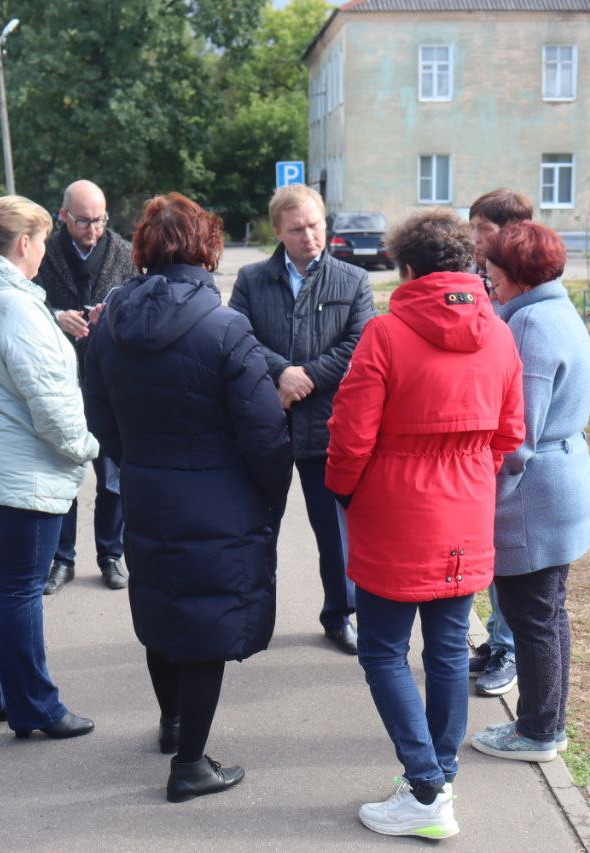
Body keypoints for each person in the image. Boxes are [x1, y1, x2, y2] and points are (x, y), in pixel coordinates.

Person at [83, 193, 291, 803]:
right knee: (206, 624)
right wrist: (270, 495)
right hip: (217, 496)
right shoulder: (225, 328)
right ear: (207, 249)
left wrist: (138, 458)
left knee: (163, 606)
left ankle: (174, 723)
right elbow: (265, 433)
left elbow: (99, 413)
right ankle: (190, 764)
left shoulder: (110, 323)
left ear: (145, 249)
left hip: (148, 489)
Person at [326, 209, 524, 839]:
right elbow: (510, 434)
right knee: (446, 650)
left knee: (383, 651)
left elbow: (350, 435)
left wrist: (346, 491)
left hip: (395, 510)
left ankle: (425, 788)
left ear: (407, 268)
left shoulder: (385, 334)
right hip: (467, 510)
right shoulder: (499, 334)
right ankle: (439, 779)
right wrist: (471, 472)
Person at [0, 196, 99, 740]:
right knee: (18, 593)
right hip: (20, 477)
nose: (45, 253)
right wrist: (85, 447)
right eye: (43, 242)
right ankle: (35, 707)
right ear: (25, 243)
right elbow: (51, 402)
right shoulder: (16, 308)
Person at [469, 221, 590, 764]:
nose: (489, 282)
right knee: (548, 612)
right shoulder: (556, 310)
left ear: (519, 277)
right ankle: (548, 724)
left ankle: (538, 731)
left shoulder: (531, 325)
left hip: (532, 493)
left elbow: (517, 436)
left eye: (494, 273)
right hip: (561, 478)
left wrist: (485, 500)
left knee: (531, 616)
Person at [229, 184, 375, 655]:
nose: (308, 236)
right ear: (277, 231)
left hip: (327, 426)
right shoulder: (252, 279)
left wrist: (306, 377)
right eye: (296, 229)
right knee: (258, 527)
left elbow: (360, 344)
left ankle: (341, 614)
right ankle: (253, 617)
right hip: (266, 422)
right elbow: (236, 336)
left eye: (314, 225)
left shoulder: (353, 280)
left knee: (334, 533)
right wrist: (281, 372)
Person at [35, 179, 135, 594]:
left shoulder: (126, 254)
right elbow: (27, 302)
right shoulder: (42, 252)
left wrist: (109, 317)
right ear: (63, 216)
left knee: (112, 478)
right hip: (60, 382)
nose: (92, 229)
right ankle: (62, 559)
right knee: (64, 474)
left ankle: (110, 555)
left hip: (109, 382)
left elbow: (138, 306)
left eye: (99, 220)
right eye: (82, 221)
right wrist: (56, 316)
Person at [464, 188, 534, 698]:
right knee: (487, 547)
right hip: (478, 426)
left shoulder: (523, 287)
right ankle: (496, 639)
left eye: (480, 229)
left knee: (506, 553)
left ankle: (508, 649)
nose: (473, 239)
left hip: (509, 442)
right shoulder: (478, 277)